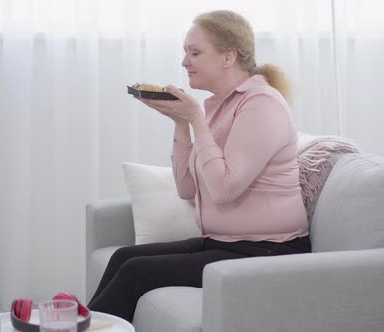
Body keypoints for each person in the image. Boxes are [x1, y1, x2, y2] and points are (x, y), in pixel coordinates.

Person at [87, 10, 310, 322]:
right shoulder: (221, 107)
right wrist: (181, 124)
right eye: (185, 52)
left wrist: (195, 119)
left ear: (228, 57)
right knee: (124, 257)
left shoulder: (262, 104)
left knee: (136, 271)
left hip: (269, 251)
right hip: (227, 244)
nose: (184, 62)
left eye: (195, 52)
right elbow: (186, 189)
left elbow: (223, 189)